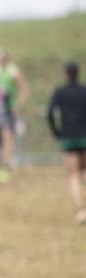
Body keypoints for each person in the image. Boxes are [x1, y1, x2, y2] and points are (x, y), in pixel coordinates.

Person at [47, 62, 86, 224]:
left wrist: (56, 132)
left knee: (74, 175)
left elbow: (49, 113)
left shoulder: (60, 92)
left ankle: (81, 210)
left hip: (68, 138)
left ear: (65, 73)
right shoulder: (84, 91)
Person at [0, 47, 30, 172]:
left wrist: (18, 105)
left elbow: (24, 90)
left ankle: (6, 161)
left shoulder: (13, 70)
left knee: (7, 134)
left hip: (7, 108)